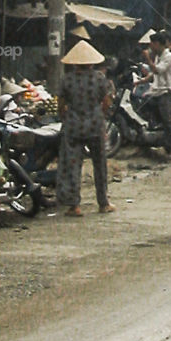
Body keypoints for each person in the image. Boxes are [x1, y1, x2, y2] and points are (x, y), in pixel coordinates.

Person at [56, 39, 115, 216]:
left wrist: (65, 118)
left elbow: (61, 104)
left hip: (73, 126)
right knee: (100, 164)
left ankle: (74, 206)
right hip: (95, 125)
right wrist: (100, 115)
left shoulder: (67, 79)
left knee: (73, 164)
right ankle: (103, 203)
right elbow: (106, 102)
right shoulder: (99, 78)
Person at [143, 30, 171, 156]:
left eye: (152, 44)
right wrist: (142, 81)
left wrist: (147, 59)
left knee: (166, 120)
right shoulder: (158, 56)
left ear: (158, 44)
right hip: (156, 91)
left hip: (165, 92)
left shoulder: (169, 57)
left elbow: (158, 70)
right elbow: (153, 74)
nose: (151, 47)